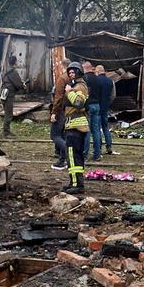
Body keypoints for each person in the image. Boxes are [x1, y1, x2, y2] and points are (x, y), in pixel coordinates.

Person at [61, 63, 90, 194]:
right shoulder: (77, 86)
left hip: (75, 127)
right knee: (75, 157)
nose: (71, 74)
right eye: (70, 72)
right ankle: (75, 182)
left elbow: (79, 103)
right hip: (73, 126)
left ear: (79, 72)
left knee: (73, 156)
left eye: (73, 72)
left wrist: (69, 92)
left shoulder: (80, 87)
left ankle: (77, 184)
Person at [86, 63, 115, 160]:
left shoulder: (95, 80)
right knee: (105, 127)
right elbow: (113, 95)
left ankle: (95, 150)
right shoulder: (110, 81)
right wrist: (108, 103)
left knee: (94, 129)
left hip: (95, 105)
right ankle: (109, 146)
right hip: (104, 107)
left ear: (97, 71)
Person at [0, 54, 26, 137]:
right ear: (15, 62)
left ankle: (6, 131)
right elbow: (18, 84)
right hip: (9, 94)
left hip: (4, 93)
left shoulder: (6, 71)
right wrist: (23, 86)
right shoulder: (13, 72)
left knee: (7, 112)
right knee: (9, 113)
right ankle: (6, 132)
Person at [49, 73, 68, 170]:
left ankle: (66, 154)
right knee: (64, 135)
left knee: (55, 135)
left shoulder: (62, 79)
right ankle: (62, 159)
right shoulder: (76, 80)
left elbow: (58, 97)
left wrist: (54, 112)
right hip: (68, 111)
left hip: (60, 111)